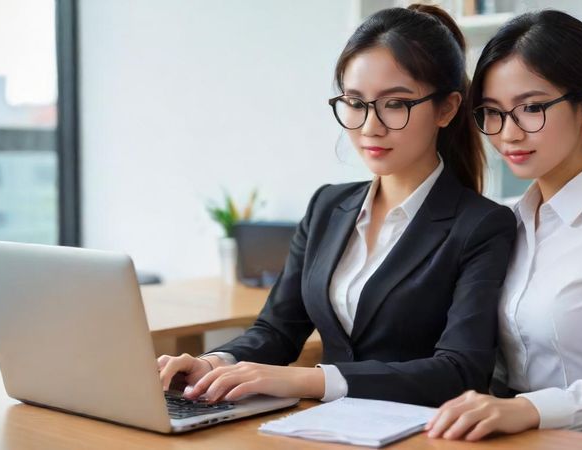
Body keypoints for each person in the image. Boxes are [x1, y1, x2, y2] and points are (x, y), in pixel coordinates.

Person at [157, 4, 516, 407]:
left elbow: (459, 371)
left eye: (395, 104)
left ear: (447, 108)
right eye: (356, 103)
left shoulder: (483, 225)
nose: (369, 126)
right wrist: (215, 363)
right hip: (323, 428)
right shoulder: (328, 206)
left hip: (418, 432)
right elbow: (277, 330)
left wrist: (309, 382)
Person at [426, 10, 582, 443]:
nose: (508, 133)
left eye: (531, 108)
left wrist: (525, 409)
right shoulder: (503, 221)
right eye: (492, 112)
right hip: (519, 436)